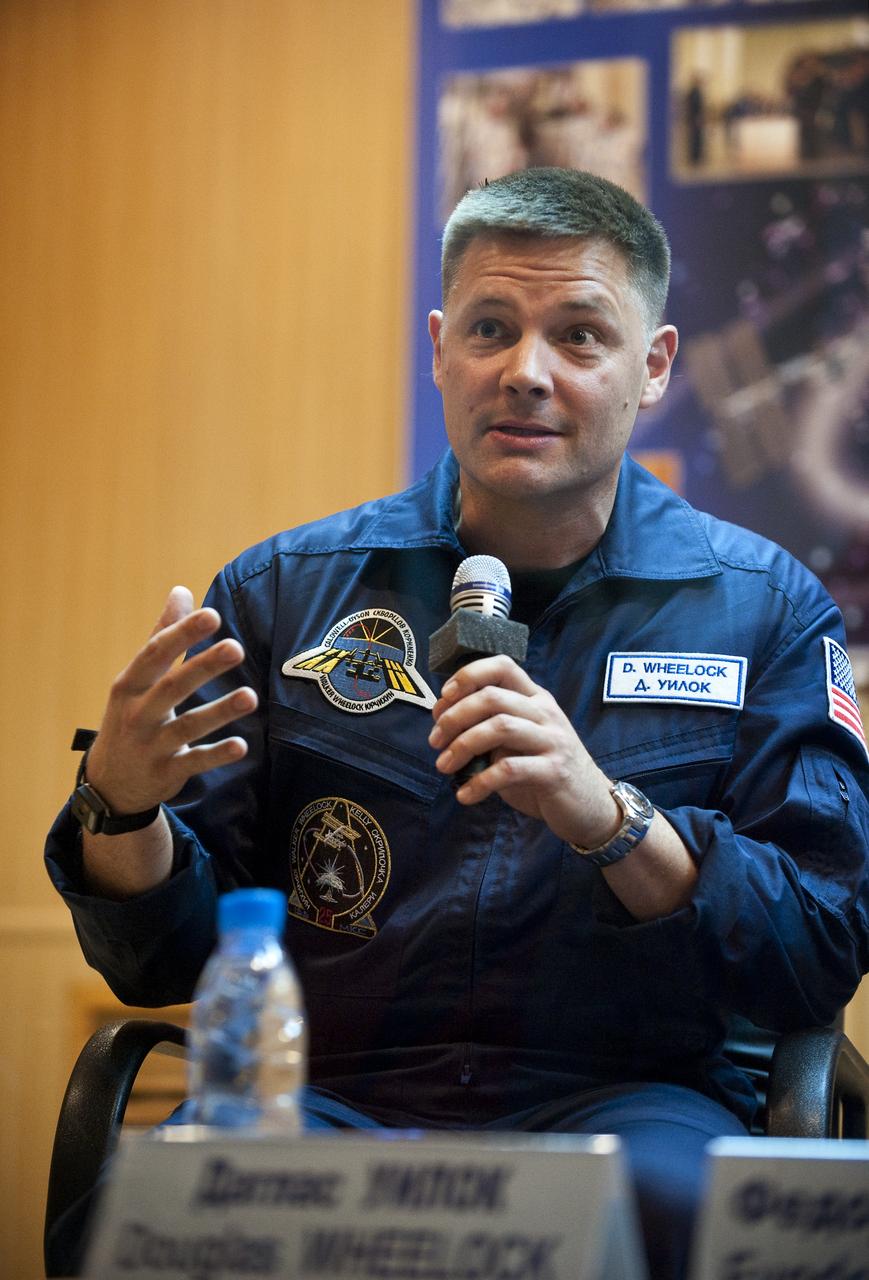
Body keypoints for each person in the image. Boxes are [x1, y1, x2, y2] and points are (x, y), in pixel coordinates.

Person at [45, 167, 869, 1279]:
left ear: (654, 368)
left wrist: (611, 819)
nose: (524, 372)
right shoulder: (286, 593)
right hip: (333, 1096)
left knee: (692, 1226)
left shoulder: (763, 607)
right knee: (130, 1218)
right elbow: (167, 959)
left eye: (579, 336)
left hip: (632, 1102)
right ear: (440, 347)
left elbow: (816, 947)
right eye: (490, 327)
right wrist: (124, 807)